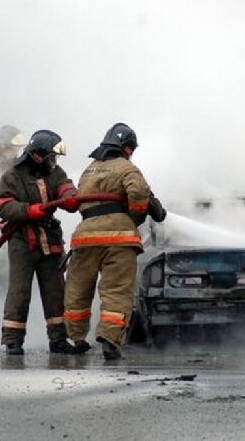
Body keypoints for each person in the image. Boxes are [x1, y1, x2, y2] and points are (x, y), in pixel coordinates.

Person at [62, 122, 167, 360]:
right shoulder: (127, 168)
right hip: (118, 238)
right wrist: (136, 217)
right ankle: (110, 340)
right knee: (116, 291)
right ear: (127, 147)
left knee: (78, 288)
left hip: (85, 237)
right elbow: (139, 194)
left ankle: (77, 339)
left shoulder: (89, 169)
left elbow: (80, 200)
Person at [0, 129, 79, 355]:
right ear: (39, 155)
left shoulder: (55, 172)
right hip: (22, 240)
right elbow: (1, 204)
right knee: (19, 290)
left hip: (49, 240)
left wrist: (70, 195)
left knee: (55, 290)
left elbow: (65, 186)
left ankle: (59, 340)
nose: (55, 161)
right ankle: (13, 341)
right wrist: (28, 211)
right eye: (52, 156)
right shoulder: (13, 175)